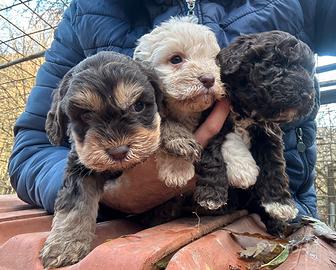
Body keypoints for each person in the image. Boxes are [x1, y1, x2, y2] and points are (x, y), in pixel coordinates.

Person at [8, 0, 336, 219]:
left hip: (277, 214)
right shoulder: (87, 12)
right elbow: (33, 149)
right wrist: (112, 193)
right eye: (176, 60)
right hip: (134, 226)